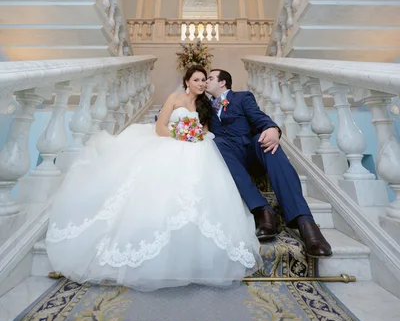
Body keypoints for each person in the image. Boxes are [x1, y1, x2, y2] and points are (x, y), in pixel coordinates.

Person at [46, 65, 261, 292]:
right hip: (170, 140)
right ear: (187, 81)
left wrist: (194, 135)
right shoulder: (174, 97)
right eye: (196, 80)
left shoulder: (204, 104)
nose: (200, 84)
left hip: (196, 145)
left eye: (202, 81)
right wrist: (181, 135)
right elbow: (160, 127)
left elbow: (205, 129)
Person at [206, 69, 332, 258]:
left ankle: (305, 222)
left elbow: (258, 117)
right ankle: (263, 210)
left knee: (267, 143)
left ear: (222, 82)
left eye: (210, 78)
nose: (205, 82)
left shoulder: (241, 97)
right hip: (228, 157)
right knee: (214, 143)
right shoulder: (203, 106)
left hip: (249, 152)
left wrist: (272, 129)